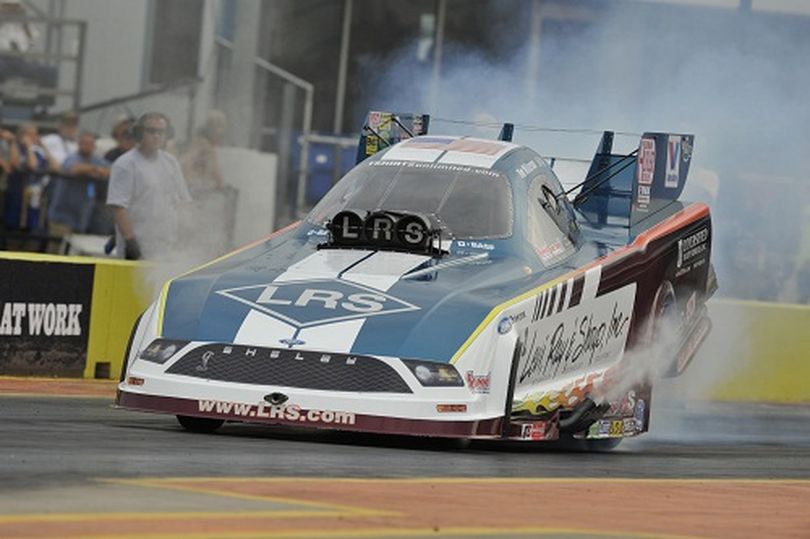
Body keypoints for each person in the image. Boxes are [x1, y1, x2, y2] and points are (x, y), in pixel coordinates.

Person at [106, 112, 191, 260]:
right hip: (138, 246)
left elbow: (183, 203)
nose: (156, 136)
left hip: (166, 246)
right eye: (151, 131)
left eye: (161, 132)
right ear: (139, 133)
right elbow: (119, 207)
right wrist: (130, 241)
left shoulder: (171, 163)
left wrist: (186, 236)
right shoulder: (125, 164)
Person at [47, 131, 110, 238]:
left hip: (82, 218)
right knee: (57, 248)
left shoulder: (96, 159)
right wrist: (94, 169)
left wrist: (98, 171)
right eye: (84, 143)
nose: (87, 146)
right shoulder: (72, 158)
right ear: (79, 144)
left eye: (90, 144)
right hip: (62, 217)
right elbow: (74, 168)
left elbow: (110, 170)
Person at [4, 122, 57, 230]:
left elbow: (55, 167)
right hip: (17, 195)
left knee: (33, 229)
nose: (35, 137)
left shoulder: (38, 151)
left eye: (36, 134)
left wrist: (44, 147)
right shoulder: (16, 147)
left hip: (35, 198)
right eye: (31, 134)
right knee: (12, 228)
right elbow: (31, 165)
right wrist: (28, 146)